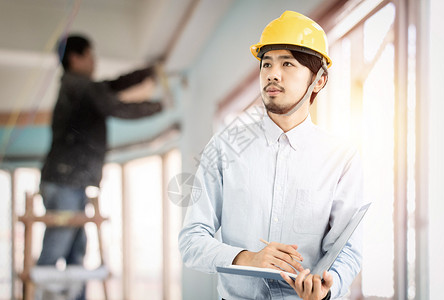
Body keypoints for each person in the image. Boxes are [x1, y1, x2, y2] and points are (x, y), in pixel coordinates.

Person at [178, 11, 363, 300]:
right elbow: (191, 241)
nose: (272, 74)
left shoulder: (341, 158)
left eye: (287, 63)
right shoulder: (224, 147)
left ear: (319, 81)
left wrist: (327, 289)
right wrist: (246, 258)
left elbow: (348, 250)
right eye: (266, 64)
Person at [37, 34, 164, 300]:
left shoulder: (78, 87)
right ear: (75, 58)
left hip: (67, 181)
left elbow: (113, 85)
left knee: (75, 248)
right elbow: (115, 106)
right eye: (90, 55)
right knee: (57, 248)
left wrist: (147, 71)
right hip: (65, 181)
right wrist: (160, 106)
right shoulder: (79, 86)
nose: (94, 62)